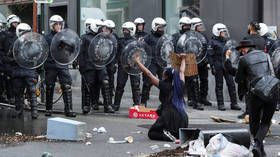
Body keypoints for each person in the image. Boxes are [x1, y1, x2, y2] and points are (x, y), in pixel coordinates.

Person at [235, 40, 277, 157]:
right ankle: (259, 148)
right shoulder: (266, 55)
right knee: (265, 122)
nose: (241, 52)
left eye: (241, 50)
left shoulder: (243, 59)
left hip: (256, 93)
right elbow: (272, 71)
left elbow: (238, 79)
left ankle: (257, 146)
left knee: (254, 122)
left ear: (244, 49)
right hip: (271, 91)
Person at [136, 52, 188, 141]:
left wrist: (138, 61)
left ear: (166, 76)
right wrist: (183, 59)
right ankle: (176, 135)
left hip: (169, 116)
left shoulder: (164, 85)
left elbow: (148, 74)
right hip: (182, 118)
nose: (162, 72)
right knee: (175, 132)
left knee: (152, 133)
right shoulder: (180, 85)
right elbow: (182, 71)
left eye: (164, 71)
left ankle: (168, 136)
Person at [78, 18, 115, 114]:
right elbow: (81, 52)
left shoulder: (103, 37)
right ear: (95, 27)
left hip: (101, 64)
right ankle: (86, 105)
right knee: (88, 85)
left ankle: (108, 105)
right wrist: (81, 66)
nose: (103, 29)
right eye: (101, 27)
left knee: (105, 82)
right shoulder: (85, 37)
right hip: (89, 65)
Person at [44, 15, 76, 117]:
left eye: (60, 24)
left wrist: (74, 59)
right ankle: (49, 109)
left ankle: (69, 109)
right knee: (49, 86)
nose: (58, 26)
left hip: (62, 64)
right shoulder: (47, 38)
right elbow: (44, 52)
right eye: (56, 24)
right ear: (52, 25)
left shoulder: (65, 36)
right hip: (51, 65)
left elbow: (71, 49)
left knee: (66, 86)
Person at [172, 16, 204, 110]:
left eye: (189, 26)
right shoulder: (175, 36)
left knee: (194, 81)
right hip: (178, 60)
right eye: (185, 26)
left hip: (190, 59)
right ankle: (177, 101)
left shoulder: (193, 35)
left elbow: (196, 46)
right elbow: (172, 47)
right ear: (181, 26)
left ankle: (196, 101)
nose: (187, 28)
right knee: (178, 81)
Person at [208, 23, 241, 111]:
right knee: (219, 85)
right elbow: (210, 56)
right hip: (218, 65)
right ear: (217, 32)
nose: (224, 33)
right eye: (223, 32)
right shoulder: (212, 42)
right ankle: (220, 104)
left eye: (224, 32)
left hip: (227, 65)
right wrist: (212, 66)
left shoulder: (226, 41)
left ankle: (234, 103)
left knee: (231, 84)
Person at [10, 23, 39, 119]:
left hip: (29, 70)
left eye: (27, 33)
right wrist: (13, 59)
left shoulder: (32, 43)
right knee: (18, 92)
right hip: (18, 71)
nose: (26, 35)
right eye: (24, 33)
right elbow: (9, 56)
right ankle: (19, 110)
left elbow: (38, 56)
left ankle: (34, 112)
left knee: (32, 91)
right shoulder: (14, 44)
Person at [113, 22, 140, 111]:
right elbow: (117, 53)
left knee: (135, 86)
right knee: (120, 85)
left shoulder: (137, 42)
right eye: (124, 30)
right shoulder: (120, 41)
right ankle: (116, 104)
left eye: (127, 30)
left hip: (134, 66)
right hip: (123, 66)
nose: (125, 32)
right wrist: (115, 62)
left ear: (132, 31)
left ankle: (137, 105)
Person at [141, 17, 166, 107]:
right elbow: (141, 47)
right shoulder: (148, 37)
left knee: (165, 83)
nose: (162, 29)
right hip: (152, 62)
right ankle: (143, 101)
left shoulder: (164, 37)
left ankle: (164, 102)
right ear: (155, 27)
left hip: (162, 63)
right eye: (160, 28)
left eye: (163, 28)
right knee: (148, 82)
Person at [191, 17, 212, 106]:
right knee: (194, 81)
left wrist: (208, 61)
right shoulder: (190, 36)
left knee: (204, 80)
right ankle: (195, 99)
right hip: (194, 62)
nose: (200, 27)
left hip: (203, 62)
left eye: (200, 25)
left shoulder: (203, 36)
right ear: (194, 26)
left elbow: (207, 47)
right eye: (198, 26)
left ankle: (203, 98)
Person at [0, 15, 20, 104]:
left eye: (17, 23)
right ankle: (9, 96)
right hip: (6, 61)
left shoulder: (18, 34)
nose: (16, 25)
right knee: (7, 78)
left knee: (16, 79)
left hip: (16, 61)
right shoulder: (3, 34)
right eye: (14, 23)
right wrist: (4, 58)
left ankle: (16, 97)